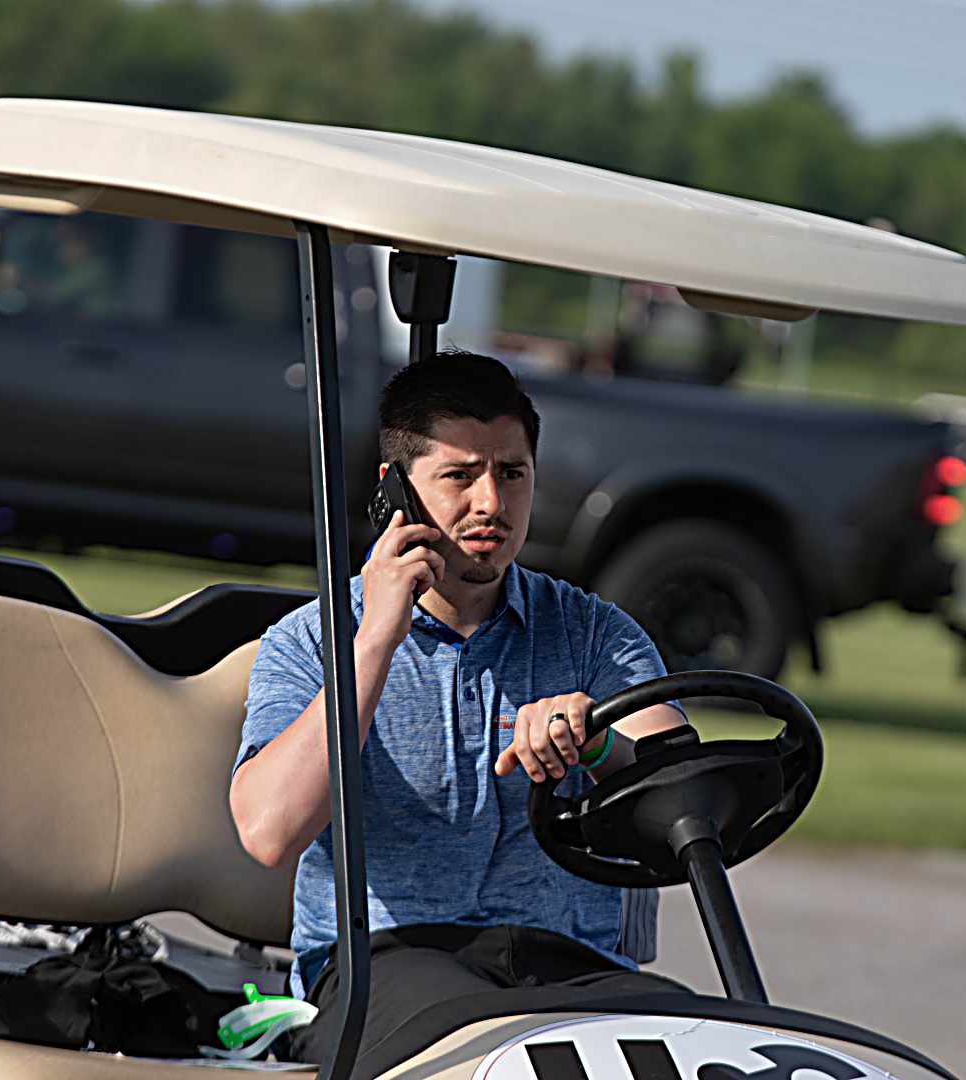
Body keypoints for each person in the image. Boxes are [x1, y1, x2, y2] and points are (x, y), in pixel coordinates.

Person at [229, 351, 694, 1062]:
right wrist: (375, 640)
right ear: (394, 492)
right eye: (459, 476)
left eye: (511, 474)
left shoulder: (595, 634)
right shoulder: (314, 640)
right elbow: (269, 832)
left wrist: (598, 744)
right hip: (381, 966)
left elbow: (687, 797)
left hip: (567, 970)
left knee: (710, 1041)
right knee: (490, 1046)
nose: (491, 505)